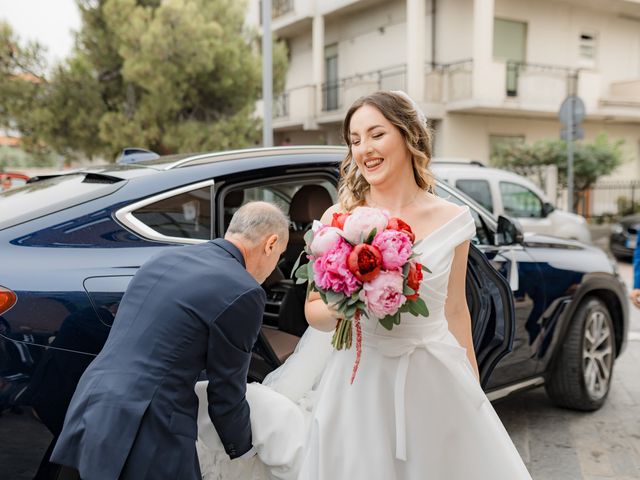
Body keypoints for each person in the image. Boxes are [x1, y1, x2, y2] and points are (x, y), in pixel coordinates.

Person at [196, 91, 532, 479]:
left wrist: (472, 386)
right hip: (360, 381)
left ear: (408, 136)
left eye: (376, 135)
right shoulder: (339, 218)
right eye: (355, 140)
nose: (364, 149)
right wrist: (350, 299)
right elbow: (314, 312)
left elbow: (456, 310)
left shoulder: (453, 219)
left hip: (434, 377)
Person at [50, 201, 289, 480]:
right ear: (271, 244)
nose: (273, 269)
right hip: (147, 425)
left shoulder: (164, 258)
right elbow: (226, 390)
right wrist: (245, 451)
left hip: (92, 400)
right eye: (279, 256)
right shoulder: (244, 290)